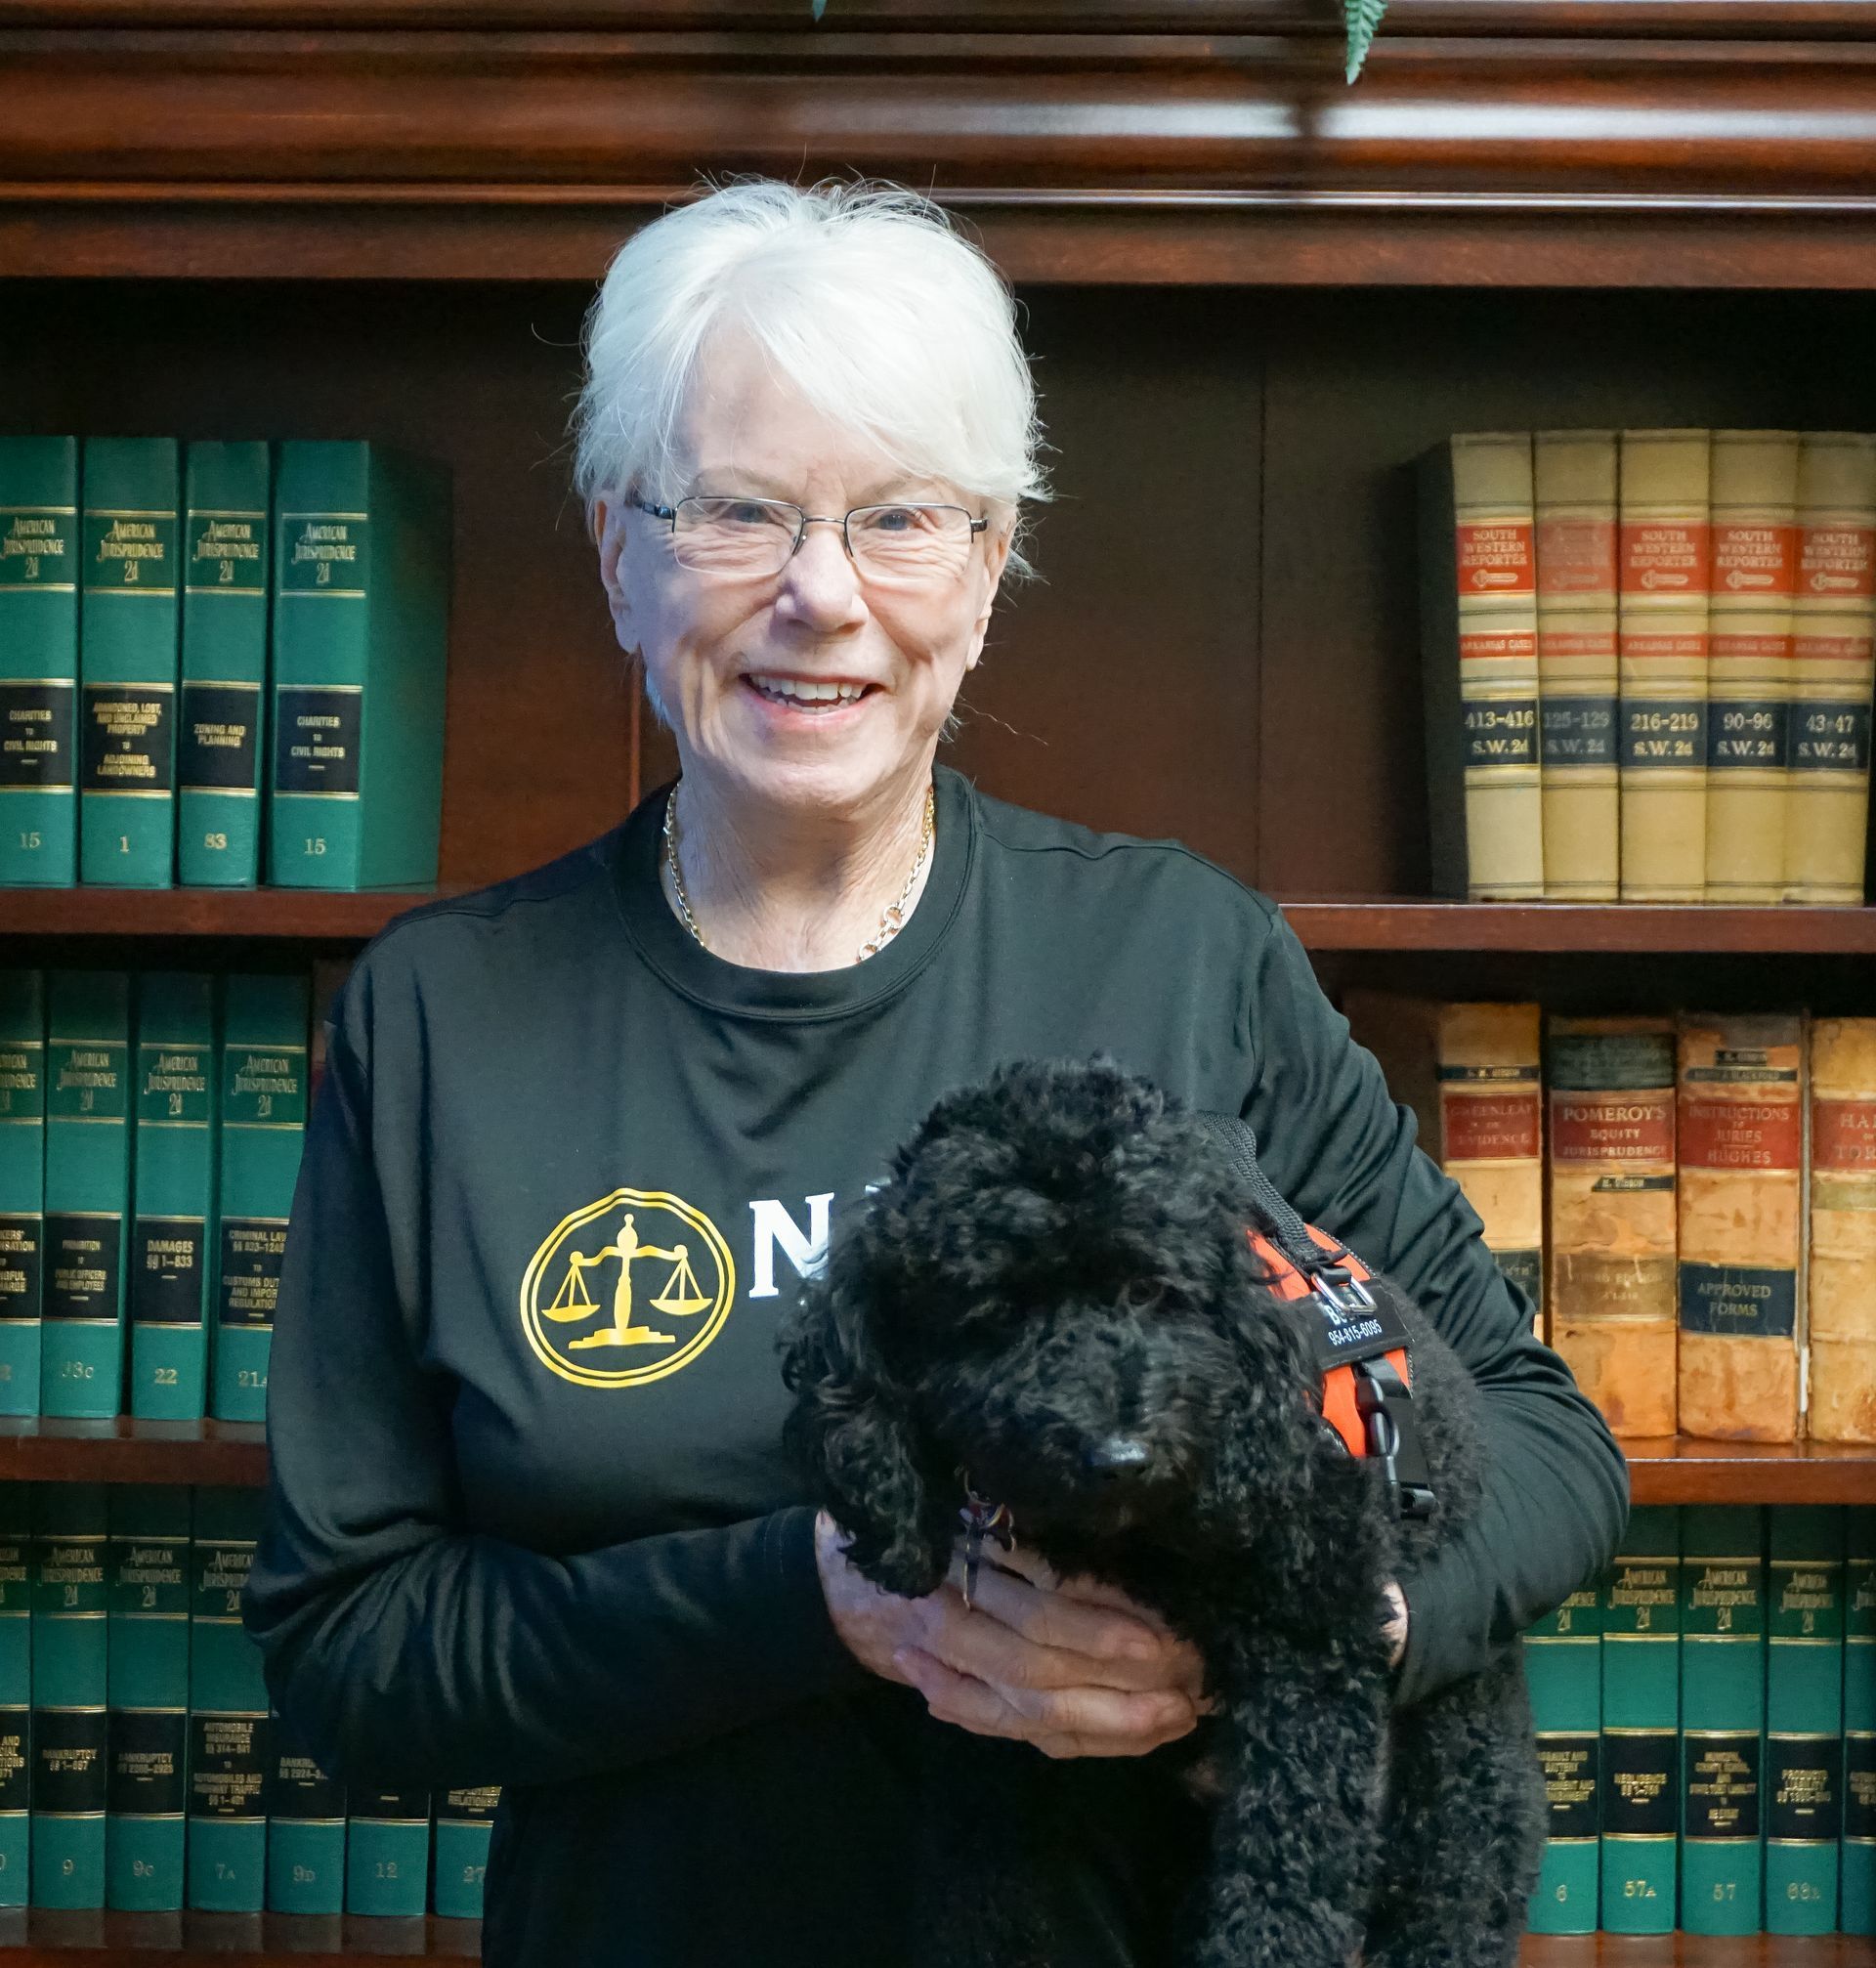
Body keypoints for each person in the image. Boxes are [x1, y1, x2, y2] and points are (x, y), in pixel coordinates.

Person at [243, 178, 1628, 1968]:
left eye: (901, 518)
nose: (821, 594)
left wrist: (1302, 1632)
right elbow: (350, 1647)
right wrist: (821, 1596)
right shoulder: (443, 1015)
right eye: (738, 509)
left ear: (984, 572)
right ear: (619, 552)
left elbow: (1543, 1438)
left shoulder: (1187, 958)